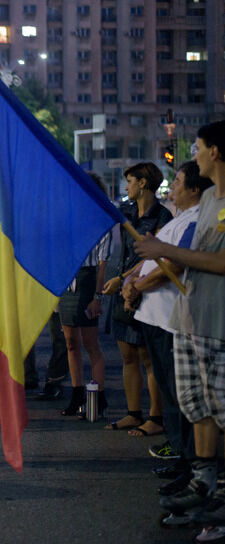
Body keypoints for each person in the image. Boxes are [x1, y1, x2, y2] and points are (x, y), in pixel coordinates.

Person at [135, 121, 225, 531]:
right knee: (197, 403)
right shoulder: (208, 200)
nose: (194, 152)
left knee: (221, 407)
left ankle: (220, 490)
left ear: (217, 152)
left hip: (217, 319)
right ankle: (203, 481)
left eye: (199, 146)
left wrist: (163, 249)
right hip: (190, 317)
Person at [125, 161, 211, 490]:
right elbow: (150, 259)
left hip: (169, 320)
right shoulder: (181, 219)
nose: (172, 188)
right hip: (153, 317)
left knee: (180, 396)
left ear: (193, 190)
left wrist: (137, 286)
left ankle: (191, 464)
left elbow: (172, 264)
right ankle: (181, 458)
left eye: (177, 182)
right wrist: (130, 280)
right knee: (170, 392)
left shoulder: (195, 222)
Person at [101, 162, 172, 434]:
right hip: (123, 290)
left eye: (130, 181)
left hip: (146, 290)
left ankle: (155, 418)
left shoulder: (162, 217)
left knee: (147, 357)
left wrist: (125, 278)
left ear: (143, 183)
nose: (126, 186)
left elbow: (152, 257)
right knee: (127, 355)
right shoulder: (127, 213)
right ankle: (133, 413)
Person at [58, 173, 112, 417]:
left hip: (89, 278)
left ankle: (97, 397)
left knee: (90, 343)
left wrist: (98, 296)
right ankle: (77, 392)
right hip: (68, 280)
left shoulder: (102, 220)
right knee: (70, 342)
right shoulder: (68, 218)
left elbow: (103, 263)